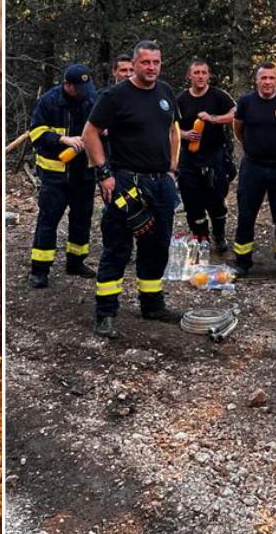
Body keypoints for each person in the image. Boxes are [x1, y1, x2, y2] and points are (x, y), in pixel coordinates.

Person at [83, 40, 183, 339]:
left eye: (156, 62)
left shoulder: (165, 92)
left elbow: (172, 130)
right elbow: (90, 133)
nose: (151, 68)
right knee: (118, 247)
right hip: (127, 182)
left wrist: (172, 168)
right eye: (146, 63)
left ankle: (152, 304)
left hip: (160, 183)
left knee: (157, 245)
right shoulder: (115, 96)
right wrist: (104, 173)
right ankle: (106, 313)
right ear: (135, 65)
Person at [26, 64, 98, 289]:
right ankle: (40, 269)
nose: (84, 92)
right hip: (55, 176)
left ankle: (76, 262)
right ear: (67, 85)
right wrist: (62, 140)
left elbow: (99, 128)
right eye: (79, 88)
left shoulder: (90, 99)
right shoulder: (48, 101)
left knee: (81, 220)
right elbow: (36, 133)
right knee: (48, 221)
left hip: (83, 173)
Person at [231, 62, 276, 276]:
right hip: (252, 167)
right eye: (264, 78)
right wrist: (252, 146)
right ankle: (242, 262)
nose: (268, 82)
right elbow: (238, 129)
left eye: (272, 78)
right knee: (246, 215)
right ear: (257, 80)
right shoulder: (245, 102)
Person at [176, 58, 236, 255]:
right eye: (196, 73)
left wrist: (213, 119)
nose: (201, 76)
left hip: (215, 156)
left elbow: (235, 113)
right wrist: (184, 134)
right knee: (191, 200)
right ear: (189, 76)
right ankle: (200, 237)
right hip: (189, 157)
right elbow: (171, 126)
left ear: (208, 75)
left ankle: (219, 235)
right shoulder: (181, 99)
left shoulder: (218, 96)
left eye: (204, 72)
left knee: (216, 198)